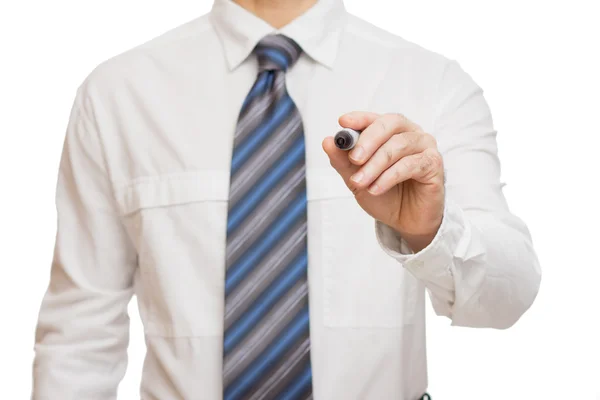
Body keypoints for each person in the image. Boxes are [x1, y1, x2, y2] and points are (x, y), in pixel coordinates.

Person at [31, 0, 542, 399]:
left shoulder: (434, 85)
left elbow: (508, 297)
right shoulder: (117, 93)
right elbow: (79, 334)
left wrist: (429, 231)